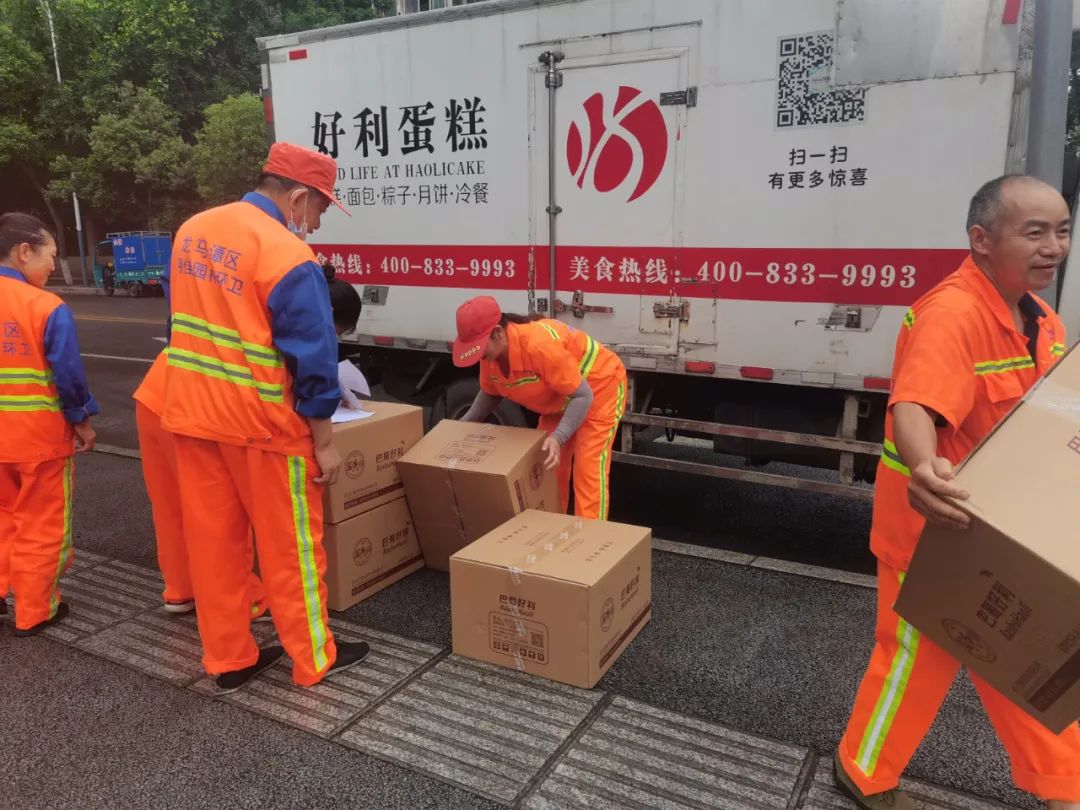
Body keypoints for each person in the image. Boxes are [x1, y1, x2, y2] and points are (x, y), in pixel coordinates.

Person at [834, 175, 1080, 810]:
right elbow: (914, 405)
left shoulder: (1043, 319)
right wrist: (923, 467)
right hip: (932, 533)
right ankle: (863, 773)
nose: (1054, 246)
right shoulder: (953, 313)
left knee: (1023, 656)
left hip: (1002, 532)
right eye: (1034, 232)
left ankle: (1066, 787)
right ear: (981, 239)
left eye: (1062, 230)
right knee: (917, 658)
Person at [160, 142, 369, 693]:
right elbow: (314, 360)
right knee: (291, 548)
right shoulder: (287, 255)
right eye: (319, 209)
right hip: (263, 427)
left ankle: (229, 658)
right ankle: (313, 657)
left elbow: (179, 321)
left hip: (193, 416)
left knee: (215, 547)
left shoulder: (192, 231)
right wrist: (324, 440)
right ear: (297, 197)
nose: (315, 224)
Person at [0, 213, 98, 635]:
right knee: (42, 525)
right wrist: (82, 422)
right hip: (38, 439)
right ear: (24, 252)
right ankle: (35, 610)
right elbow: (68, 378)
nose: (54, 266)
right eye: (50, 255)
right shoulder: (45, 306)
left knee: (3, 517)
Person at [453, 296, 626, 520]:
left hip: (599, 386)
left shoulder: (538, 345)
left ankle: (590, 536)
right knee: (548, 466)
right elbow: (491, 392)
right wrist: (461, 427)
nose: (479, 356)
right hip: (560, 395)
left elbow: (583, 396)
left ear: (498, 333)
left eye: (479, 348)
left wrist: (558, 437)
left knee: (588, 468)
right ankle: (550, 530)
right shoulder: (489, 356)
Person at [133, 353, 267, 618]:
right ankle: (247, 599)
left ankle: (181, 589)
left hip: (157, 394)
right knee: (223, 515)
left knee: (170, 507)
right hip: (200, 409)